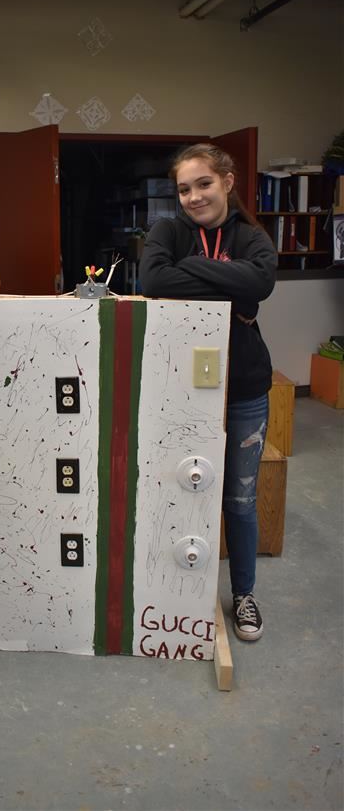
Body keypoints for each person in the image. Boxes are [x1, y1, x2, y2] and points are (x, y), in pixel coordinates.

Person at [139, 143, 277, 641]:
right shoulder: (168, 231)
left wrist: (190, 269)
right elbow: (151, 278)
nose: (193, 197)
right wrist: (230, 286)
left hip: (243, 387)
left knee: (238, 500)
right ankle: (173, 589)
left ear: (227, 182)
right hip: (177, 389)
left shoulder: (250, 235)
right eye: (183, 188)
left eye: (203, 184)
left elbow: (260, 282)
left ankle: (243, 594)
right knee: (176, 494)